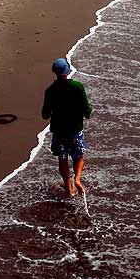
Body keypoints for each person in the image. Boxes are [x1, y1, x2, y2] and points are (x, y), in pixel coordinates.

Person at [41, 58, 92, 197]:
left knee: (62, 159)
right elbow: (86, 110)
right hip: (75, 129)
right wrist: (88, 112)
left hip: (59, 131)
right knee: (79, 157)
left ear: (55, 72)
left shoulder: (50, 90)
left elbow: (45, 115)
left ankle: (69, 191)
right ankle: (77, 179)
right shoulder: (77, 86)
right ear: (68, 70)